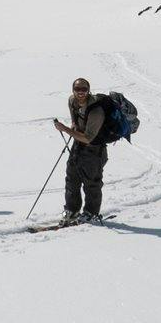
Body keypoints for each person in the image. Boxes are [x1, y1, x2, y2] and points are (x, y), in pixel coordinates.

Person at [50, 77, 106, 222]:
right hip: (78, 144)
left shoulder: (96, 110)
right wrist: (74, 124)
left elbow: (88, 138)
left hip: (95, 148)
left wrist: (65, 129)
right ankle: (71, 210)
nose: (80, 92)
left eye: (84, 89)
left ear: (88, 90)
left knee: (91, 182)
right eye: (77, 89)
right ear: (73, 90)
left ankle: (91, 213)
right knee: (72, 178)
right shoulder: (72, 101)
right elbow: (74, 119)